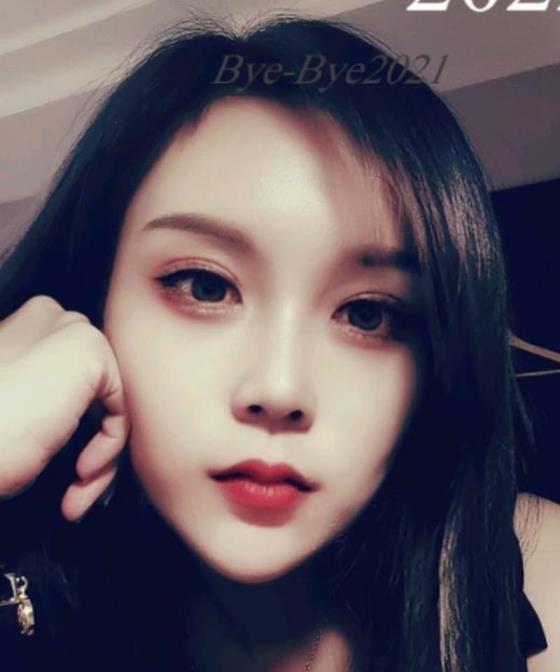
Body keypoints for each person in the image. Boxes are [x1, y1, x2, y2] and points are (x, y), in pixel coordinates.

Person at [0, 11, 558, 672]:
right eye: (206, 286)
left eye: (368, 315)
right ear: (96, 306)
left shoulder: (542, 573)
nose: (280, 388)